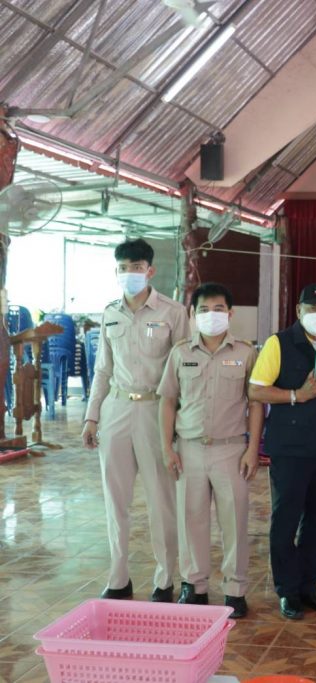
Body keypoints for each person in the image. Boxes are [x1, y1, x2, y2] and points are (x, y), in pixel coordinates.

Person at [82, 238, 189, 602]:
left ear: (150, 270)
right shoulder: (110, 312)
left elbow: (184, 370)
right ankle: (118, 578)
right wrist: (92, 417)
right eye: (123, 268)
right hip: (116, 409)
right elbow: (102, 369)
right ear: (117, 272)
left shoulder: (173, 312)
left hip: (156, 411)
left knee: (162, 500)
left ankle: (164, 579)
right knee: (115, 500)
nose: (130, 274)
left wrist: (179, 425)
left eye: (136, 267)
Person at [248, 283, 316, 620]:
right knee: (286, 520)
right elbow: (256, 391)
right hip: (290, 450)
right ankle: (287, 590)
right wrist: (296, 394)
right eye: (312, 308)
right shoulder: (279, 344)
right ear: (298, 310)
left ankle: (309, 586)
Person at [157, 283, 262, 619]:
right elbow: (168, 402)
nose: (211, 315)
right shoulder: (180, 353)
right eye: (203, 309)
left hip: (232, 450)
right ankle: (194, 585)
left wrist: (253, 449)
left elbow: (256, 404)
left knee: (235, 521)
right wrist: (167, 448)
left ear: (230, 314)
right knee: (192, 519)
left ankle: (235, 589)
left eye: (218, 309)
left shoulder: (246, 353)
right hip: (189, 449)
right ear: (193, 314)